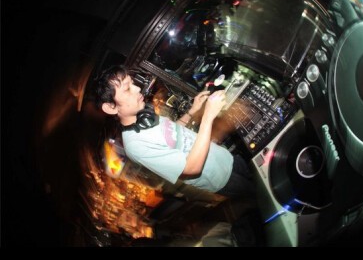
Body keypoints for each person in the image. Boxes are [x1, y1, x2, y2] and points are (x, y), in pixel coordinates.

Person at [93, 65, 255, 199]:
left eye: (132, 83)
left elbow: (171, 133)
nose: (137, 88)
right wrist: (208, 116)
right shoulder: (135, 145)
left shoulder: (145, 117)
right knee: (261, 193)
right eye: (127, 89)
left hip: (224, 156)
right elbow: (191, 169)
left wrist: (192, 111)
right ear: (111, 107)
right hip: (221, 178)